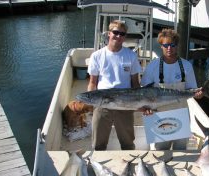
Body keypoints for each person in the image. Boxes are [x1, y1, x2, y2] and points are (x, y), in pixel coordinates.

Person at [141, 28, 203, 150]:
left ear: (177, 46)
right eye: (166, 45)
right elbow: (144, 91)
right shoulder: (153, 66)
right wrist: (145, 107)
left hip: (181, 114)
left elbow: (192, 89)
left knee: (181, 149)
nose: (169, 48)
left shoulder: (186, 65)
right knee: (161, 149)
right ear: (161, 46)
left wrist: (199, 94)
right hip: (159, 115)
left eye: (172, 45)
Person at [87, 20, 142, 150]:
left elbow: (135, 84)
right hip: (102, 102)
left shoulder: (131, 56)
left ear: (125, 37)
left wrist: (139, 104)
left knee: (128, 143)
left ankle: (130, 165)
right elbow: (92, 83)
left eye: (122, 34)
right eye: (116, 32)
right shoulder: (97, 56)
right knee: (98, 144)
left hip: (126, 103)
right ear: (109, 34)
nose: (118, 36)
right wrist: (91, 104)